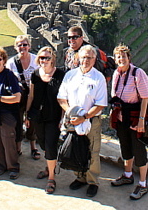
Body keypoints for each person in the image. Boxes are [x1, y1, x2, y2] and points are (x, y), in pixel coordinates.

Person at [57, 44, 108, 198]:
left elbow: (100, 104)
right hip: (72, 119)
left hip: (91, 121)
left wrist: (84, 117)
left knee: (92, 151)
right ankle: (80, 177)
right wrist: (70, 113)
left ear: (94, 59)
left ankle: (92, 181)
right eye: (83, 57)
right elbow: (61, 97)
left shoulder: (98, 78)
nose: (86, 60)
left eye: (89, 57)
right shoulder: (70, 75)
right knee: (75, 148)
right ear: (78, 58)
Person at [109, 44, 148, 200]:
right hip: (121, 117)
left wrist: (141, 120)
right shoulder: (117, 74)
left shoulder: (138, 73)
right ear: (115, 59)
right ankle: (127, 175)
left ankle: (143, 184)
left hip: (135, 117)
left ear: (129, 58)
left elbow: (146, 97)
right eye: (118, 57)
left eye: (123, 56)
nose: (121, 59)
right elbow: (114, 96)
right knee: (125, 148)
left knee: (139, 151)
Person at [26, 47, 67, 194]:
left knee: (50, 145)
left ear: (53, 59)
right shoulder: (35, 74)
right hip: (37, 116)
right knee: (42, 143)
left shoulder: (61, 75)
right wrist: (27, 114)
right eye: (42, 58)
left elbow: (64, 98)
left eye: (47, 58)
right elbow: (31, 96)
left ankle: (51, 178)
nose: (44, 60)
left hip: (53, 116)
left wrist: (63, 118)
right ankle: (49, 166)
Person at [0, 47, 22, 179]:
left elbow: (17, 97)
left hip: (7, 113)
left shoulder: (9, 75)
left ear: (4, 61)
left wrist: (0, 98)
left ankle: (13, 167)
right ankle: (0, 165)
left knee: (8, 141)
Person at [7, 34, 40, 159]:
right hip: (18, 96)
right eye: (19, 45)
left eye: (24, 44)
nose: (22, 47)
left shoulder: (36, 60)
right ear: (16, 47)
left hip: (33, 95)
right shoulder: (11, 63)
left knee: (32, 120)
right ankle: (18, 147)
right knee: (18, 121)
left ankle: (33, 147)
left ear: (29, 46)